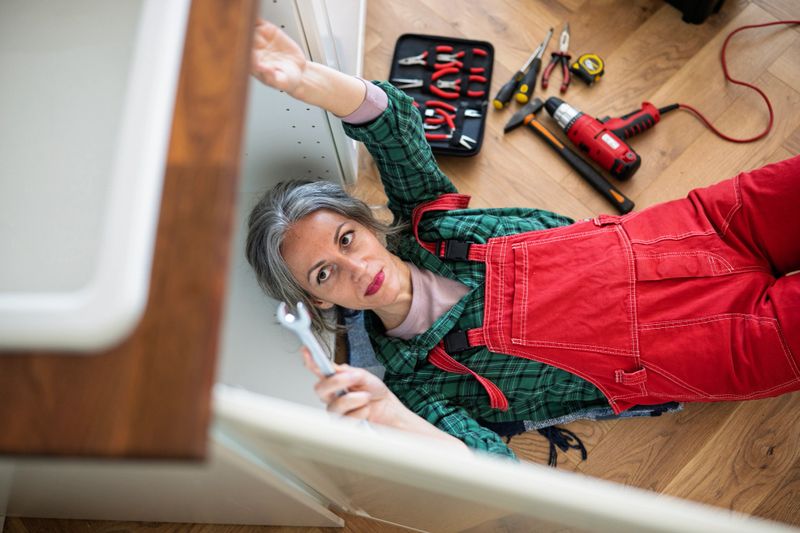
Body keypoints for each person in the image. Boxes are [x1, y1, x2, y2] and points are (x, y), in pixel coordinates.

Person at [247, 19, 800, 460]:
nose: (353, 267)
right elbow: (490, 469)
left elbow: (393, 127)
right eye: (324, 274)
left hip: (697, 227)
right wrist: (389, 416)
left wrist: (307, 80)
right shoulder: (418, 386)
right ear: (319, 301)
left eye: (346, 239)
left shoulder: (428, 225)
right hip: (704, 345)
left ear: (368, 226)